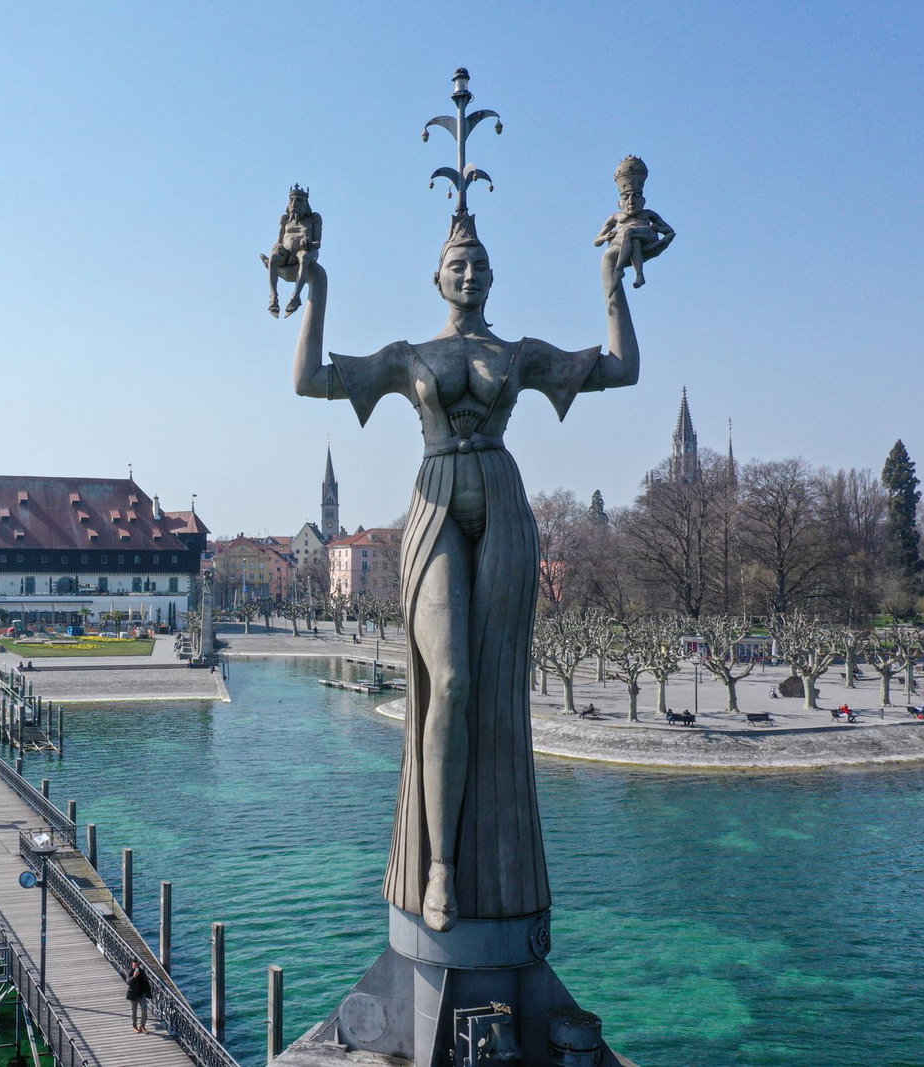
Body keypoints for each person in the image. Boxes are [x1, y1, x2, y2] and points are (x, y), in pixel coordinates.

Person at [293, 196, 652, 932]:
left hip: (503, 502)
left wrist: (613, 274)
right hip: (433, 506)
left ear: (494, 277)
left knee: (496, 688)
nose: (471, 274)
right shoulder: (409, 357)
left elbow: (623, 369)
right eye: (459, 264)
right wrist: (316, 286)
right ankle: (440, 867)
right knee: (450, 679)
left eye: (481, 265)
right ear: (437, 277)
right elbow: (308, 380)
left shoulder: (515, 355)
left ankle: (498, 859)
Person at [593, 156, 673, 293]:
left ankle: (618, 270)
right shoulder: (615, 217)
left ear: (643, 200)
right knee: (633, 241)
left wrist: (658, 228)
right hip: (625, 242)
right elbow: (596, 241)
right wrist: (606, 236)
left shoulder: (647, 214)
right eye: (625, 197)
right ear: (619, 203)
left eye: (636, 196)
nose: (631, 201)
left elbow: (670, 231)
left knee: (630, 232)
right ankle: (639, 276)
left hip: (647, 237)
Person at [261, 184, 322, 318]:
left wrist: (308, 243)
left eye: (299, 200)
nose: (294, 203)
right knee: (273, 259)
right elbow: (279, 240)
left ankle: (295, 297)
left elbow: (318, 243)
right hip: (287, 252)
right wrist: (277, 247)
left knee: (304, 258)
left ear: (306, 203)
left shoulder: (313, 218)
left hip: (306, 250)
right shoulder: (285, 219)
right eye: (291, 200)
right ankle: (273, 297)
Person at [125, 960, 152, 1033]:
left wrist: (148, 993)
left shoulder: (142, 971)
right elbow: (128, 982)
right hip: (133, 995)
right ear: (132, 965)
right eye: (134, 965)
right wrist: (133, 977)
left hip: (142, 994)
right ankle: (134, 1026)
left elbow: (146, 982)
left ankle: (142, 1026)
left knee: (144, 1011)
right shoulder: (129, 972)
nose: (136, 967)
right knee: (134, 1011)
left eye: (137, 965)